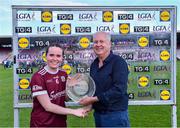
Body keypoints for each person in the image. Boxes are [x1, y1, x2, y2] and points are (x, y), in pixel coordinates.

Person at [30, 43, 89, 127]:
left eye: (58, 56)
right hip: (42, 124)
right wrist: (74, 111)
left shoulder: (63, 74)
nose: (55, 59)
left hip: (60, 123)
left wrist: (71, 88)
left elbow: (65, 98)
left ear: (62, 58)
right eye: (51, 55)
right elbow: (48, 106)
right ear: (46, 56)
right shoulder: (38, 77)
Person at [79, 32, 130, 127]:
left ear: (109, 44)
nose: (98, 45)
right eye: (95, 42)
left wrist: (92, 100)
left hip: (115, 115)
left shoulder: (118, 62)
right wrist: (90, 105)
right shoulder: (94, 64)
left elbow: (119, 90)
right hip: (98, 115)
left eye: (101, 41)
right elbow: (95, 89)